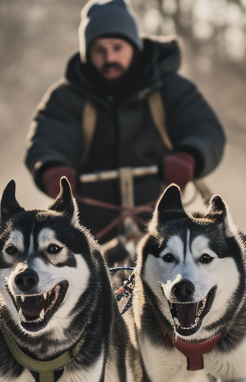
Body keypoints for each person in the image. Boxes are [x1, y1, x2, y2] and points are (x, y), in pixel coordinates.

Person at [24, 0, 226, 244]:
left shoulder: (172, 89)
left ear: (135, 46)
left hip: (163, 222)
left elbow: (205, 129)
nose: (109, 57)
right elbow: (47, 139)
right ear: (88, 54)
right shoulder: (65, 98)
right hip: (87, 228)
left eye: (117, 47)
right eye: (99, 50)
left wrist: (191, 155)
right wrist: (51, 167)